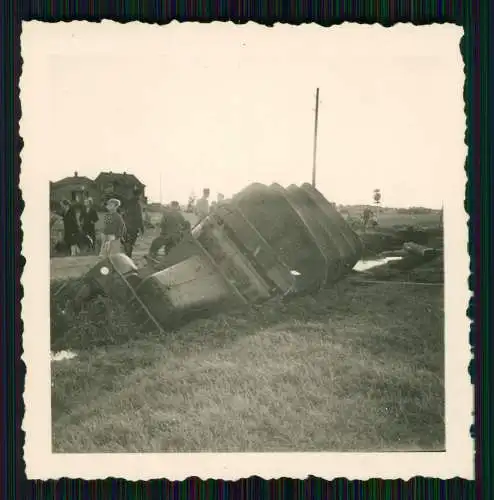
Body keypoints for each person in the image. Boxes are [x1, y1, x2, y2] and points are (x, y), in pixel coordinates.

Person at [122, 186, 145, 258]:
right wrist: (142, 227)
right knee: (130, 243)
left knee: (126, 242)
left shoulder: (128, 202)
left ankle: (125, 257)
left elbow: (124, 213)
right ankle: (128, 258)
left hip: (126, 225)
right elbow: (139, 217)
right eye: (140, 195)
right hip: (133, 226)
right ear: (139, 195)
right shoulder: (137, 204)